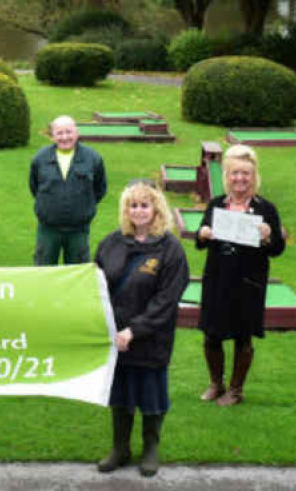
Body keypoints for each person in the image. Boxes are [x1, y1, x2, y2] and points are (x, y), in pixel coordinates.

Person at [95, 181, 189, 477]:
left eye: (144, 205)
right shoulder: (111, 242)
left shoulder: (170, 249)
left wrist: (133, 331)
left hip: (151, 337)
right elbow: (94, 285)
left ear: (156, 209)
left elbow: (166, 300)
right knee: (120, 393)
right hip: (115, 337)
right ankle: (119, 448)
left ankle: (151, 449)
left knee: (151, 394)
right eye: (133, 205)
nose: (138, 211)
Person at [196, 144, 285, 407]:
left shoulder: (266, 209)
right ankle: (216, 384)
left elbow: (277, 249)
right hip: (218, 278)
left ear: (253, 176)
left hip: (249, 281)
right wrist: (203, 234)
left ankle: (235, 390)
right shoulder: (216, 204)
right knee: (212, 333)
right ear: (227, 175)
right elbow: (202, 238)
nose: (240, 179)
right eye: (235, 173)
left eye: (246, 174)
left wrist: (269, 236)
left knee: (242, 335)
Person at [29, 115, 107, 265]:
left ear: (76, 133)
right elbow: (35, 188)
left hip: (79, 230)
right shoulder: (40, 159)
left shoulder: (93, 158)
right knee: (43, 272)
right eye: (59, 133)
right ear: (52, 136)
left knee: (76, 274)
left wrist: (83, 207)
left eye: (69, 132)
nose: (65, 137)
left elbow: (99, 190)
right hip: (48, 230)